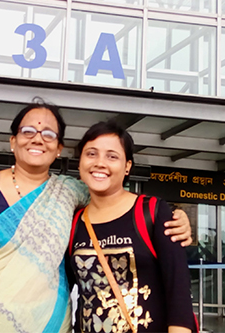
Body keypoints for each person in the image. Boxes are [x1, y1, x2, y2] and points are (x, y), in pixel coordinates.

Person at [0, 102, 192, 333]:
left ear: (58, 148)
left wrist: (176, 216)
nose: (37, 139)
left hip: (50, 324)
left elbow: (113, 199)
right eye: (27, 131)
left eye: (48, 134)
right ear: (13, 141)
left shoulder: (70, 193)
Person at [68, 121, 196, 333]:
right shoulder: (74, 222)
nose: (100, 163)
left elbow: (179, 293)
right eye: (91, 154)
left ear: (127, 166)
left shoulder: (153, 212)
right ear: (80, 163)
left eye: (112, 156)